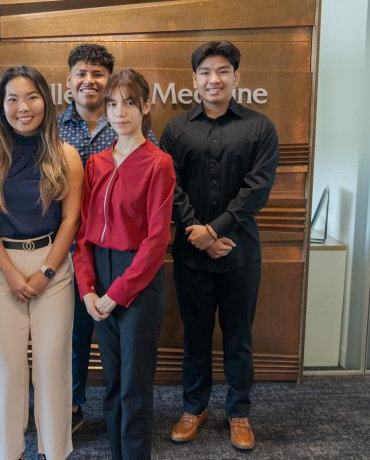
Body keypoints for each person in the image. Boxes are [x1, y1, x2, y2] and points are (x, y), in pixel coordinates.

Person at [160, 40, 279, 451]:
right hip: (191, 254)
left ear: (236, 77)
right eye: (206, 72)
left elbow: (256, 190)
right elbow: (169, 188)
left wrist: (215, 230)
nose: (215, 79)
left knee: (238, 336)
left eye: (223, 70)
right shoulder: (176, 129)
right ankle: (194, 407)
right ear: (194, 79)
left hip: (240, 252)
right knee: (194, 335)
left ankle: (239, 412)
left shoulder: (260, 127)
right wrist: (198, 232)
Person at [0, 65, 83, 460]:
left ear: (46, 102)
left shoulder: (66, 153)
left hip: (53, 264)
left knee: (52, 363)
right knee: (5, 366)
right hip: (3, 265)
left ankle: (55, 452)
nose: (23, 107)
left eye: (32, 97)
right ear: (1, 105)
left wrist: (47, 271)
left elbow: (71, 218)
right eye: (12, 99)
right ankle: (8, 452)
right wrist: (13, 273)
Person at [73, 69, 175, 460]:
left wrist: (115, 295)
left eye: (129, 103)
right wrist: (87, 289)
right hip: (99, 273)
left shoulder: (158, 163)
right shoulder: (96, 163)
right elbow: (83, 234)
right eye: (113, 104)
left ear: (146, 106)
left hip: (138, 280)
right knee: (112, 382)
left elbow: (156, 241)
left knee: (134, 385)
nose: (119, 112)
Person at [57, 43, 158, 433]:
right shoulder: (54, 127)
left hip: (119, 253)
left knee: (122, 350)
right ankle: (73, 405)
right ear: (68, 81)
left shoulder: (135, 136)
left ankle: (123, 420)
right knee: (74, 335)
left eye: (97, 74)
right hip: (69, 248)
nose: (89, 80)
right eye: (81, 73)